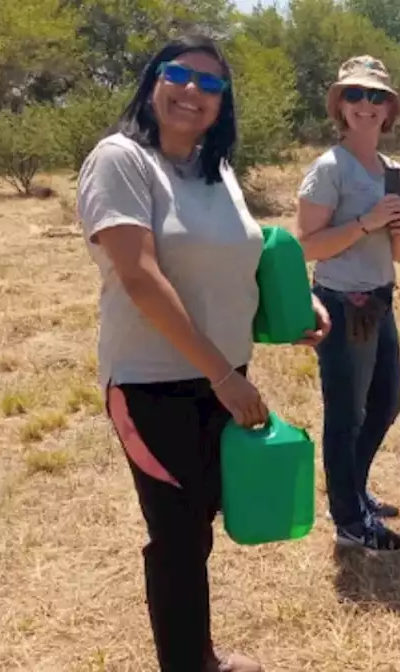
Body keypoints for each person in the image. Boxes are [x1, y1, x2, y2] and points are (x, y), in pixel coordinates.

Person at [78, 35, 330, 672]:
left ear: (223, 105)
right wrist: (221, 372)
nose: (193, 93)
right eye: (179, 77)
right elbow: (140, 278)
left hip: (222, 376)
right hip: (151, 383)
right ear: (152, 81)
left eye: (211, 86)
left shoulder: (214, 168)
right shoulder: (121, 160)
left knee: (198, 524)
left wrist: (291, 310)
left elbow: (235, 258)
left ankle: (199, 654)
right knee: (177, 536)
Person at [296, 55, 400, 552]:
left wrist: (398, 227)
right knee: (346, 415)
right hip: (341, 304)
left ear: (389, 109)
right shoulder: (330, 169)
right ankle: (349, 521)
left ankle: (351, 493)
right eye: (355, 95)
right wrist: (365, 223)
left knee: (386, 402)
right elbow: (306, 244)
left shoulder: (393, 171)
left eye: (376, 97)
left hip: (380, 298)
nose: (366, 105)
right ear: (340, 107)